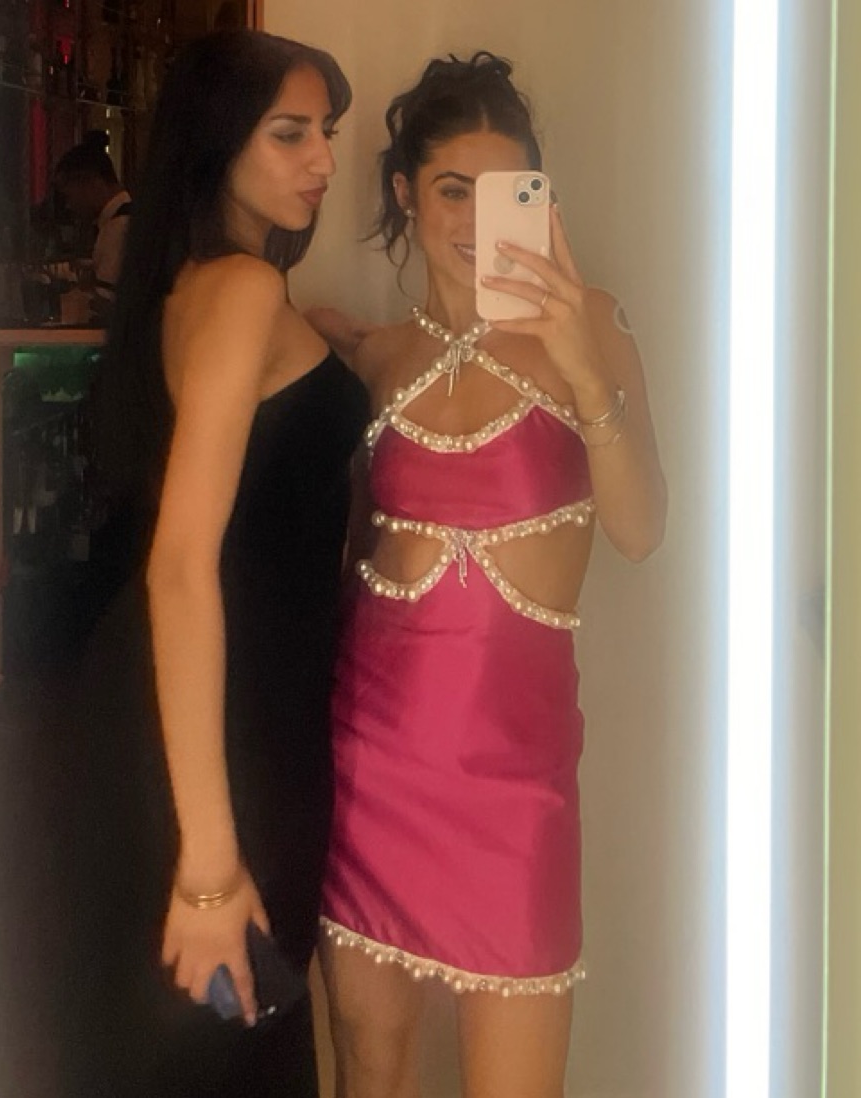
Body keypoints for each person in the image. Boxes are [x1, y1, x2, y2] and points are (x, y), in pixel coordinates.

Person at [317, 52, 667, 1098]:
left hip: (516, 785)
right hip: (374, 764)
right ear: (404, 194)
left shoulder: (590, 323)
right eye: (450, 190)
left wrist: (579, 360)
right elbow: (343, 556)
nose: (475, 220)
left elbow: (641, 530)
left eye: (505, 192)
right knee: (371, 1073)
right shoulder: (377, 358)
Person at [61, 29, 367, 1098]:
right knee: (227, 1041)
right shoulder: (240, 292)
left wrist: (332, 352)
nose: (322, 159)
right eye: (290, 134)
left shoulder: (201, 290)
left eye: (325, 131)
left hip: (206, 705)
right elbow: (182, 567)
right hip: (226, 723)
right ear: (217, 142)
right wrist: (206, 864)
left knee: (201, 1044)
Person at [54, 130, 132, 318]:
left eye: (68, 196)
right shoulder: (130, 219)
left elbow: (108, 305)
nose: (69, 205)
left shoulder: (117, 228)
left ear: (89, 181)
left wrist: (82, 292)